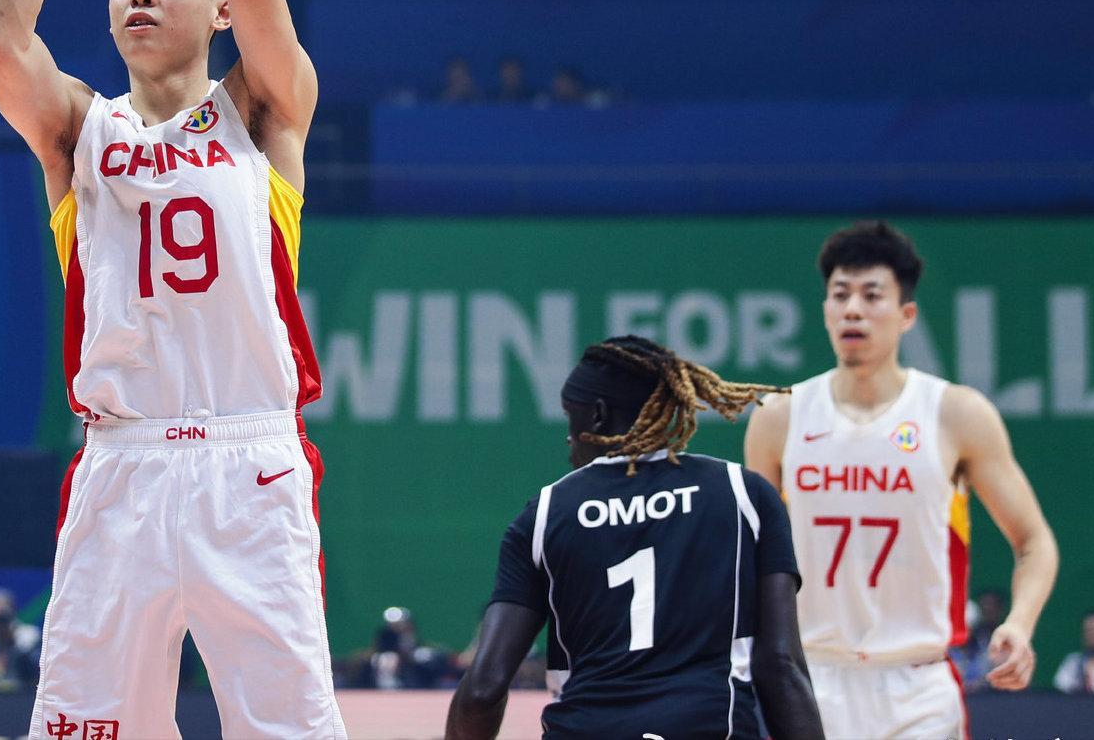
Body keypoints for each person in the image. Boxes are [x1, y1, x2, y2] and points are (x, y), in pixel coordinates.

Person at [0, 0, 340, 739]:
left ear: (217, 13)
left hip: (247, 458)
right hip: (121, 463)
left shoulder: (262, 111)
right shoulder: (76, 129)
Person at [745, 220, 1060, 739]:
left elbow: (1034, 542)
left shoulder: (955, 414)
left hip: (918, 685)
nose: (853, 309)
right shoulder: (780, 416)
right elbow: (750, 555)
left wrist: (1020, 625)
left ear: (906, 314)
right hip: (811, 679)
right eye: (840, 295)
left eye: (872, 296)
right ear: (825, 309)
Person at [447, 336, 823, 740]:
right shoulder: (744, 494)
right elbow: (780, 665)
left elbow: (483, 691)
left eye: (570, 417)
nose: (568, 437)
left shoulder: (544, 515)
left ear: (597, 416)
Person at [950, 587, 1007, 691]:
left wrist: (981, 683)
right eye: (959, 627)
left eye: (968, 627)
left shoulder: (989, 644)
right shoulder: (945, 650)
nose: (964, 633)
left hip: (987, 697)